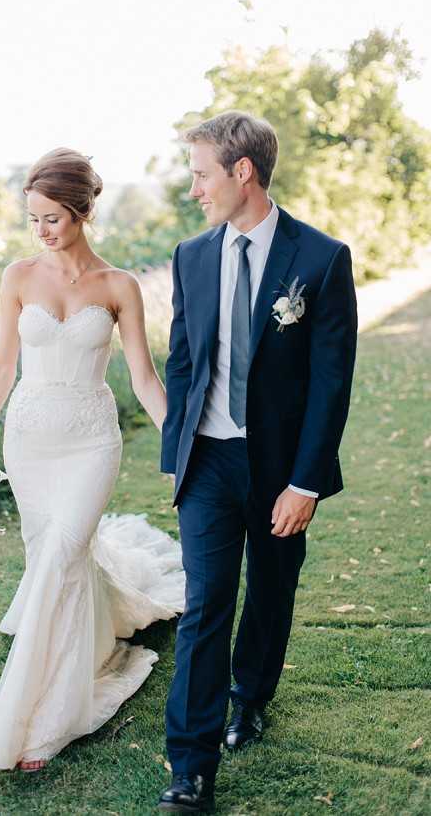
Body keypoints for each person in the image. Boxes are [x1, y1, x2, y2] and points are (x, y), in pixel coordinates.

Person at [157, 111, 358, 812]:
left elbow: (332, 382)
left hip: (280, 470)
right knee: (206, 602)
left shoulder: (322, 258)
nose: (194, 189)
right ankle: (191, 764)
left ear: (243, 171)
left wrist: (305, 482)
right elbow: (184, 361)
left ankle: (251, 698)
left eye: (201, 173)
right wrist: (175, 454)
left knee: (270, 594)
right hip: (208, 463)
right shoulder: (190, 256)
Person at [0, 148, 185, 772]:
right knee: (53, 560)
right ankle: (81, 649)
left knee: (61, 556)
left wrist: (178, 440)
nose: (41, 230)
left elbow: (142, 375)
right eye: (33, 218)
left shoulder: (119, 287)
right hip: (29, 442)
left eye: (53, 217)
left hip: (90, 441)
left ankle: (49, 718)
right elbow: (3, 366)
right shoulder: (18, 277)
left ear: (84, 212)